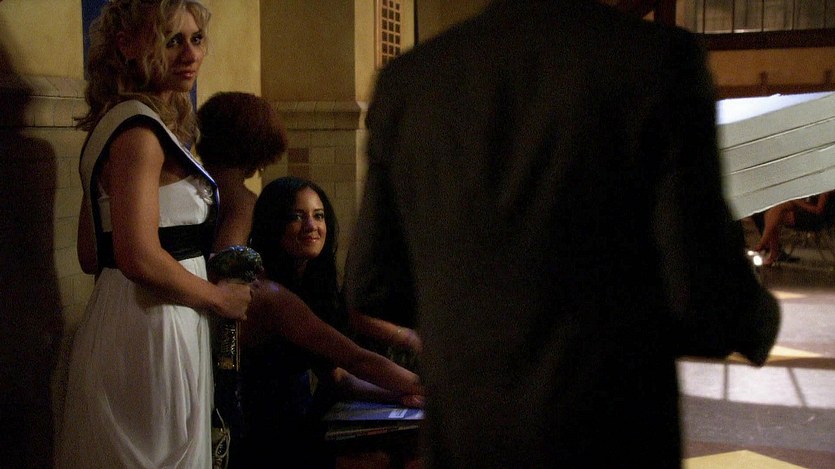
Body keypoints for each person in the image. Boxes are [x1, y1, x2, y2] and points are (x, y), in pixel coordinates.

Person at [344, 0, 781, 467]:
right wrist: (757, 322)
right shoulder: (655, 60)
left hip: (469, 435)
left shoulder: (411, 79)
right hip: (611, 430)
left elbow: (373, 284)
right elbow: (701, 293)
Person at [57, 2, 252, 467]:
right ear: (126, 45)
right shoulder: (140, 134)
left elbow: (91, 253)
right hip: (156, 327)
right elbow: (137, 256)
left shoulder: (117, 123)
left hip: (132, 317)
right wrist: (218, 298)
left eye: (196, 39)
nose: (190, 54)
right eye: (171, 40)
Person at [195, 94, 423, 467]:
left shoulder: (307, 283)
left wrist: (403, 395)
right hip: (265, 442)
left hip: (295, 429)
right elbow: (355, 358)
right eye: (297, 216)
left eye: (318, 215)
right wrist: (428, 388)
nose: (312, 226)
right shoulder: (267, 289)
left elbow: (339, 375)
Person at [752, 190, 834, 265]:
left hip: (815, 219)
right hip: (807, 211)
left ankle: (766, 247)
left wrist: (798, 202)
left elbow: (818, 210)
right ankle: (767, 247)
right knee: (773, 212)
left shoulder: (826, 189)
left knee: (774, 216)